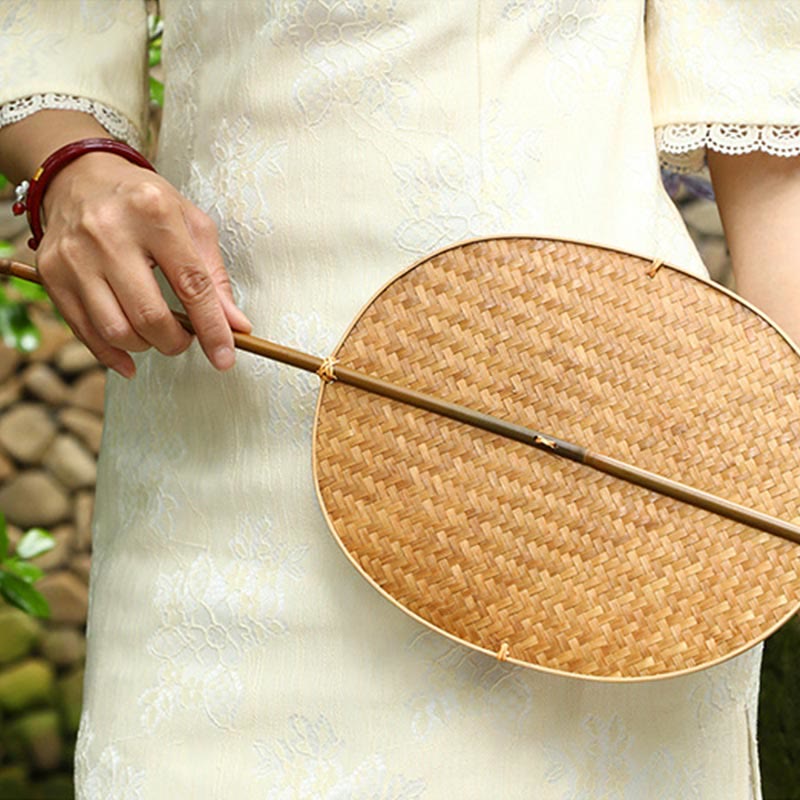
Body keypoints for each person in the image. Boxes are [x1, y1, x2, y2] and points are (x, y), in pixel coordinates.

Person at [0, 1, 798, 797]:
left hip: (593, 479)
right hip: (227, 438)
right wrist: (72, 166)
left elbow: (775, 144)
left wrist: (779, 463)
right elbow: (45, 37)